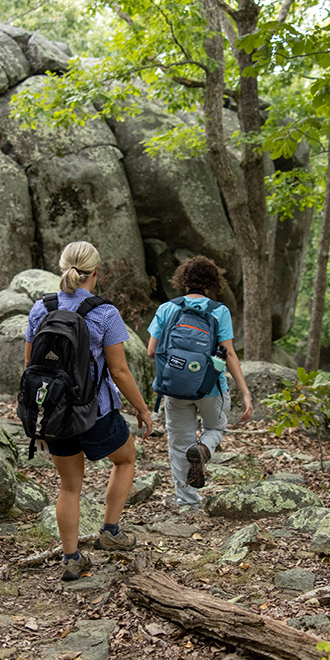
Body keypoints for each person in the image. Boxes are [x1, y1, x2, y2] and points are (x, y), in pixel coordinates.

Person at [24, 241, 154, 582]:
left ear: (62, 268)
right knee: (125, 459)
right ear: (95, 273)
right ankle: (110, 531)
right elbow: (120, 372)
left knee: (69, 486)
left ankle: (71, 559)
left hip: (55, 413)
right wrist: (141, 409)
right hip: (96, 412)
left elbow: (29, 365)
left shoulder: (41, 308)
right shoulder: (104, 313)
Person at [147, 255, 253, 511]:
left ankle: (188, 506)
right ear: (212, 282)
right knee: (216, 428)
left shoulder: (167, 309)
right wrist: (246, 392)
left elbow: (151, 351)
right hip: (211, 387)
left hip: (174, 389)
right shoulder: (219, 311)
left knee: (179, 445)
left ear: (183, 280)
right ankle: (204, 449)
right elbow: (228, 354)